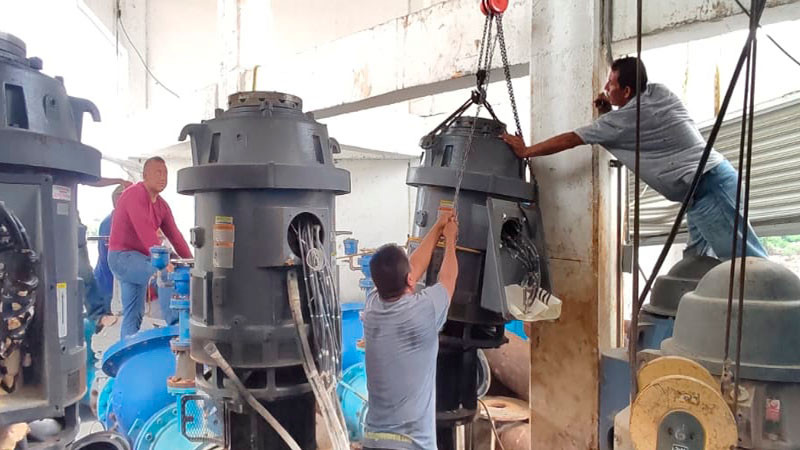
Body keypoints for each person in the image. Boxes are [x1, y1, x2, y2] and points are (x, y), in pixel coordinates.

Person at [502, 56, 767, 260]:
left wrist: (526, 151)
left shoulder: (624, 120)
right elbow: (636, 124)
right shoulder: (659, 92)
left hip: (710, 190)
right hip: (709, 187)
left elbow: (572, 139)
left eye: (611, 84)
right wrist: (610, 112)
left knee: (747, 267)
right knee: (695, 266)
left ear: (627, 91)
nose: (606, 87)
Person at [362, 209, 459, 450]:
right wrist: (450, 241)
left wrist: (437, 227)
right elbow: (448, 279)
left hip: (373, 440)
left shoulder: (372, 307)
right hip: (411, 444)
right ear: (409, 281)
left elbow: (410, 270)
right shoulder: (423, 311)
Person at [108, 157, 192, 338]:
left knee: (134, 314)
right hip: (122, 258)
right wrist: (163, 262)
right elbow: (144, 227)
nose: (163, 177)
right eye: (158, 172)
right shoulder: (134, 194)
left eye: (165, 173)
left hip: (139, 259)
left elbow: (175, 236)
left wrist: (193, 262)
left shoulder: (162, 206)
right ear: (145, 175)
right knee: (164, 274)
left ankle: (128, 354)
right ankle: (177, 328)